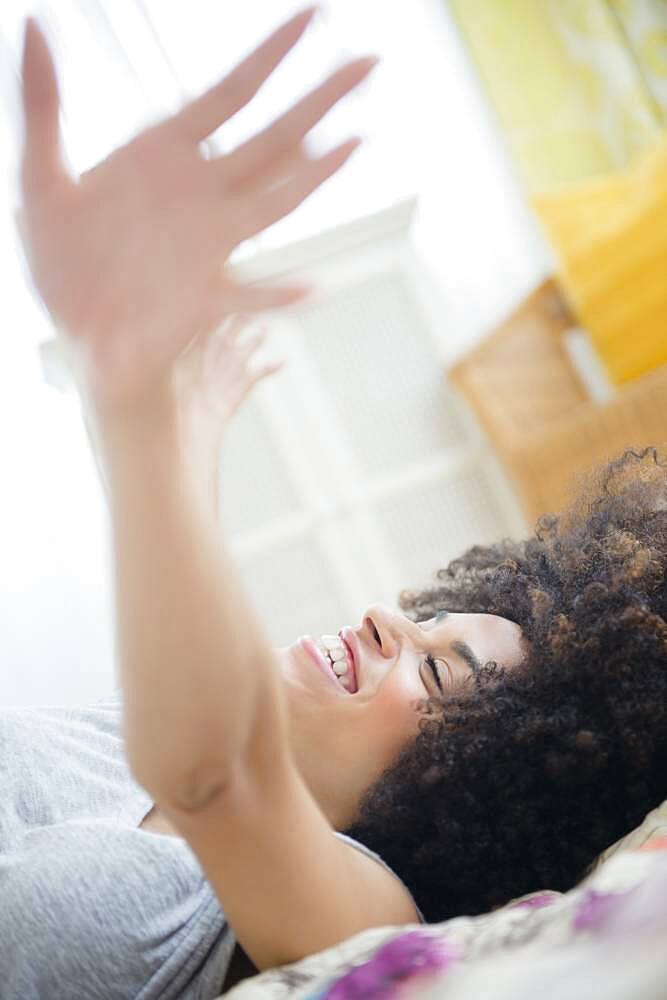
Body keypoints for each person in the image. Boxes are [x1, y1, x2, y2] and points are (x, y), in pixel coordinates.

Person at [6, 8, 667, 998]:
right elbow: (196, 684)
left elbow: (215, 771)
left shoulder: (358, 911)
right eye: (429, 618)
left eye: (438, 675)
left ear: (463, 798)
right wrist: (177, 430)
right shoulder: (147, 730)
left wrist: (128, 389)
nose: (382, 616)